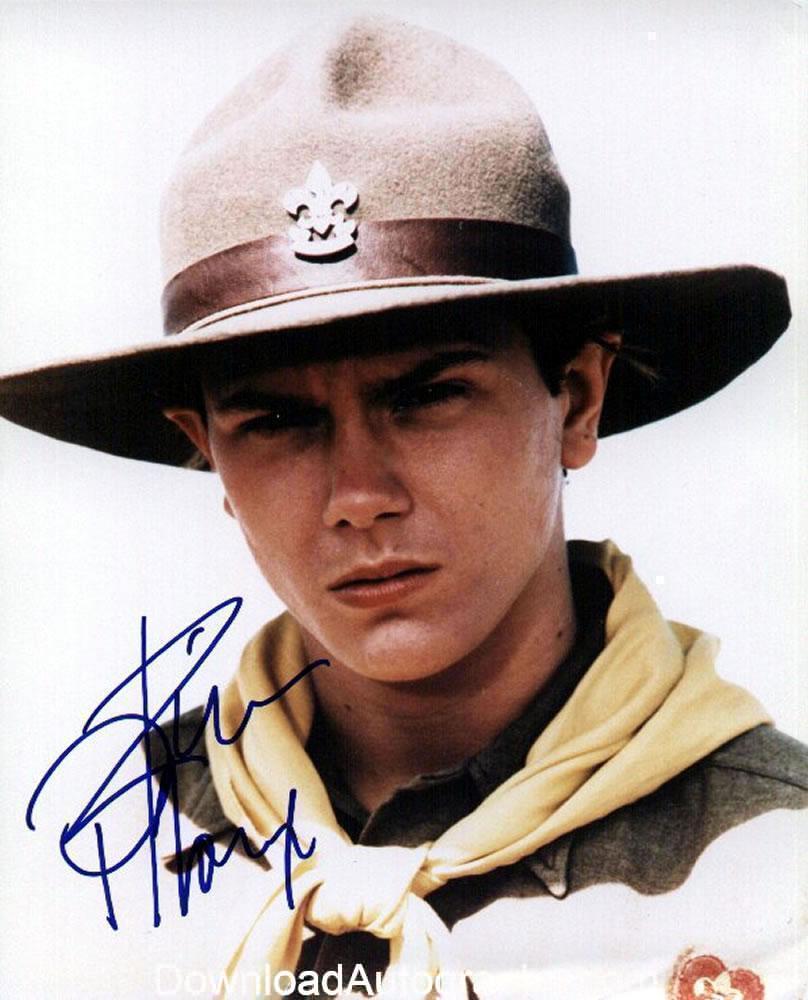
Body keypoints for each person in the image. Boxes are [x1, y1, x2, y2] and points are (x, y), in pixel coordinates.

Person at [1, 8, 805, 1000]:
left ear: (576, 400)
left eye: (428, 397)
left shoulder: (773, 875)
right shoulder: (83, 873)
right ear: (204, 450)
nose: (359, 496)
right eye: (276, 421)